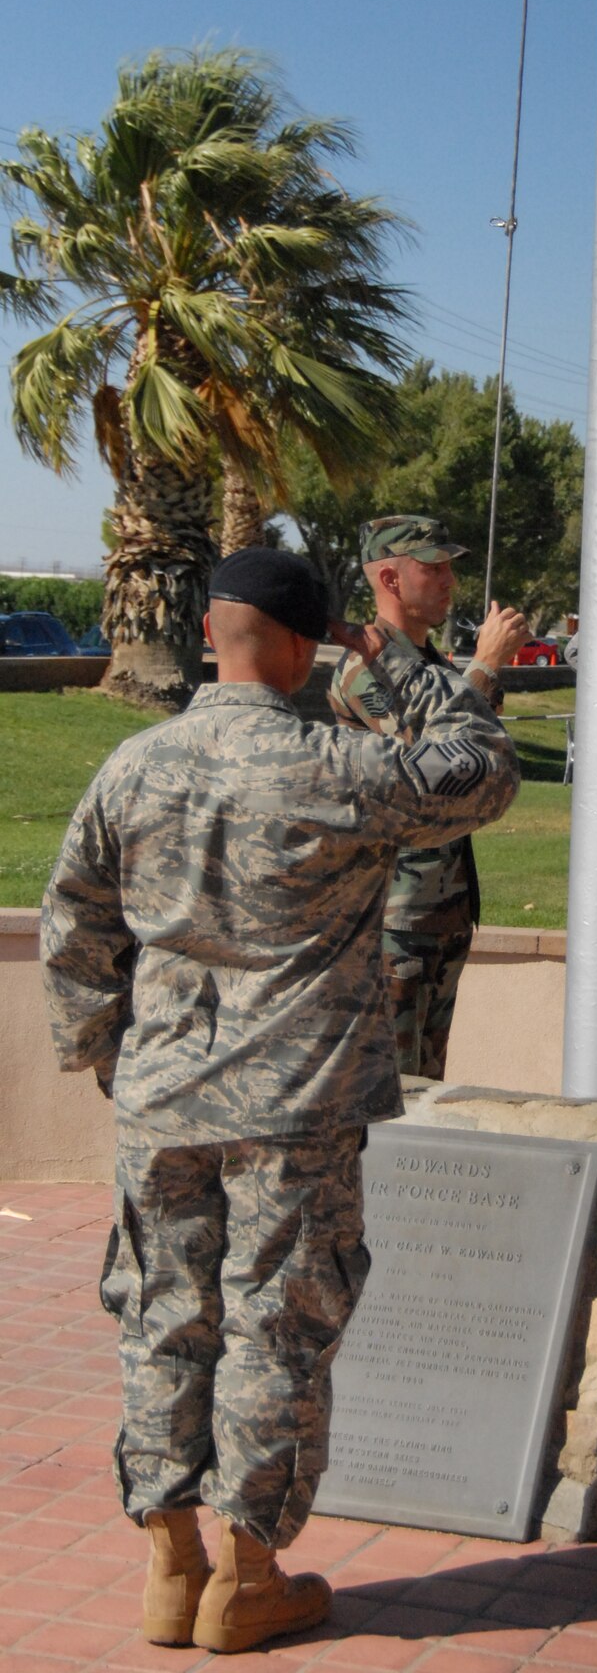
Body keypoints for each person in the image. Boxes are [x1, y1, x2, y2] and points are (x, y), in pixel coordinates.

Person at [39, 546, 519, 1653]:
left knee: (164, 1314)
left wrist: (114, 1057)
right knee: (274, 1328)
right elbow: (479, 767)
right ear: (304, 646)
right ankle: (247, 1577)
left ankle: (170, 1567)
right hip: (294, 1107)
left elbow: (74, 932)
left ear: (209, 631)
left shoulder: (133, 765)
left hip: (161, 1101)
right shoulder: (335, 766)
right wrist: (411, 660)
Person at [335, 514, 529, 1080]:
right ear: (391, 580)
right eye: (433, 568)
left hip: (439, 910)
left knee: (427, 1083)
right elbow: (431, 766)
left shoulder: (428, 667)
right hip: (394, 917)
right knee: (391, 1089)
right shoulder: (365, 666)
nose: (449, 581)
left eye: (450, 568)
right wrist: (486, 668)